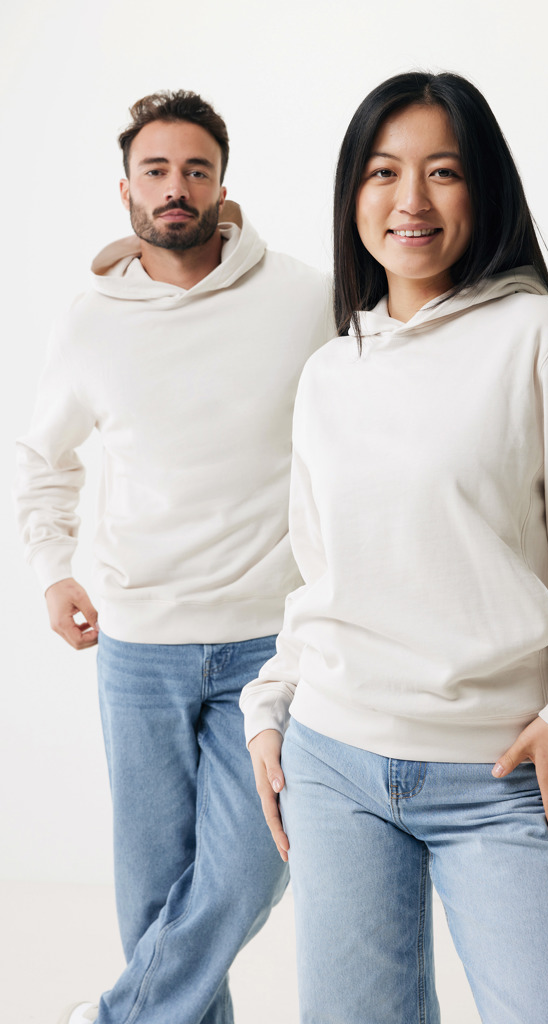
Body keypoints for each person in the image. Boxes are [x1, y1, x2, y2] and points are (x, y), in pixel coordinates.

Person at [241, 71, 548, 1024]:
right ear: (353, 193)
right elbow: (318, 574)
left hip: (500, 774)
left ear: (484, 189)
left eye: (443, 171)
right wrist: (269, 708)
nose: (411, 200)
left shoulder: (542, 338)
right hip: (332, 762)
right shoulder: (328, 371)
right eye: (383, 172)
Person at [15, 90, 332, 1024]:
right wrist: (51, 569)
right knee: (154, 900)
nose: (176, 188)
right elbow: (42, 460)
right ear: (125, 190)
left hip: (268, 644)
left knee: (248, 869)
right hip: (137, 644)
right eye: (156, 170)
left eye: (196, 169)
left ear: (223, 186)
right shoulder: (89, 322)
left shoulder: (303, 299)